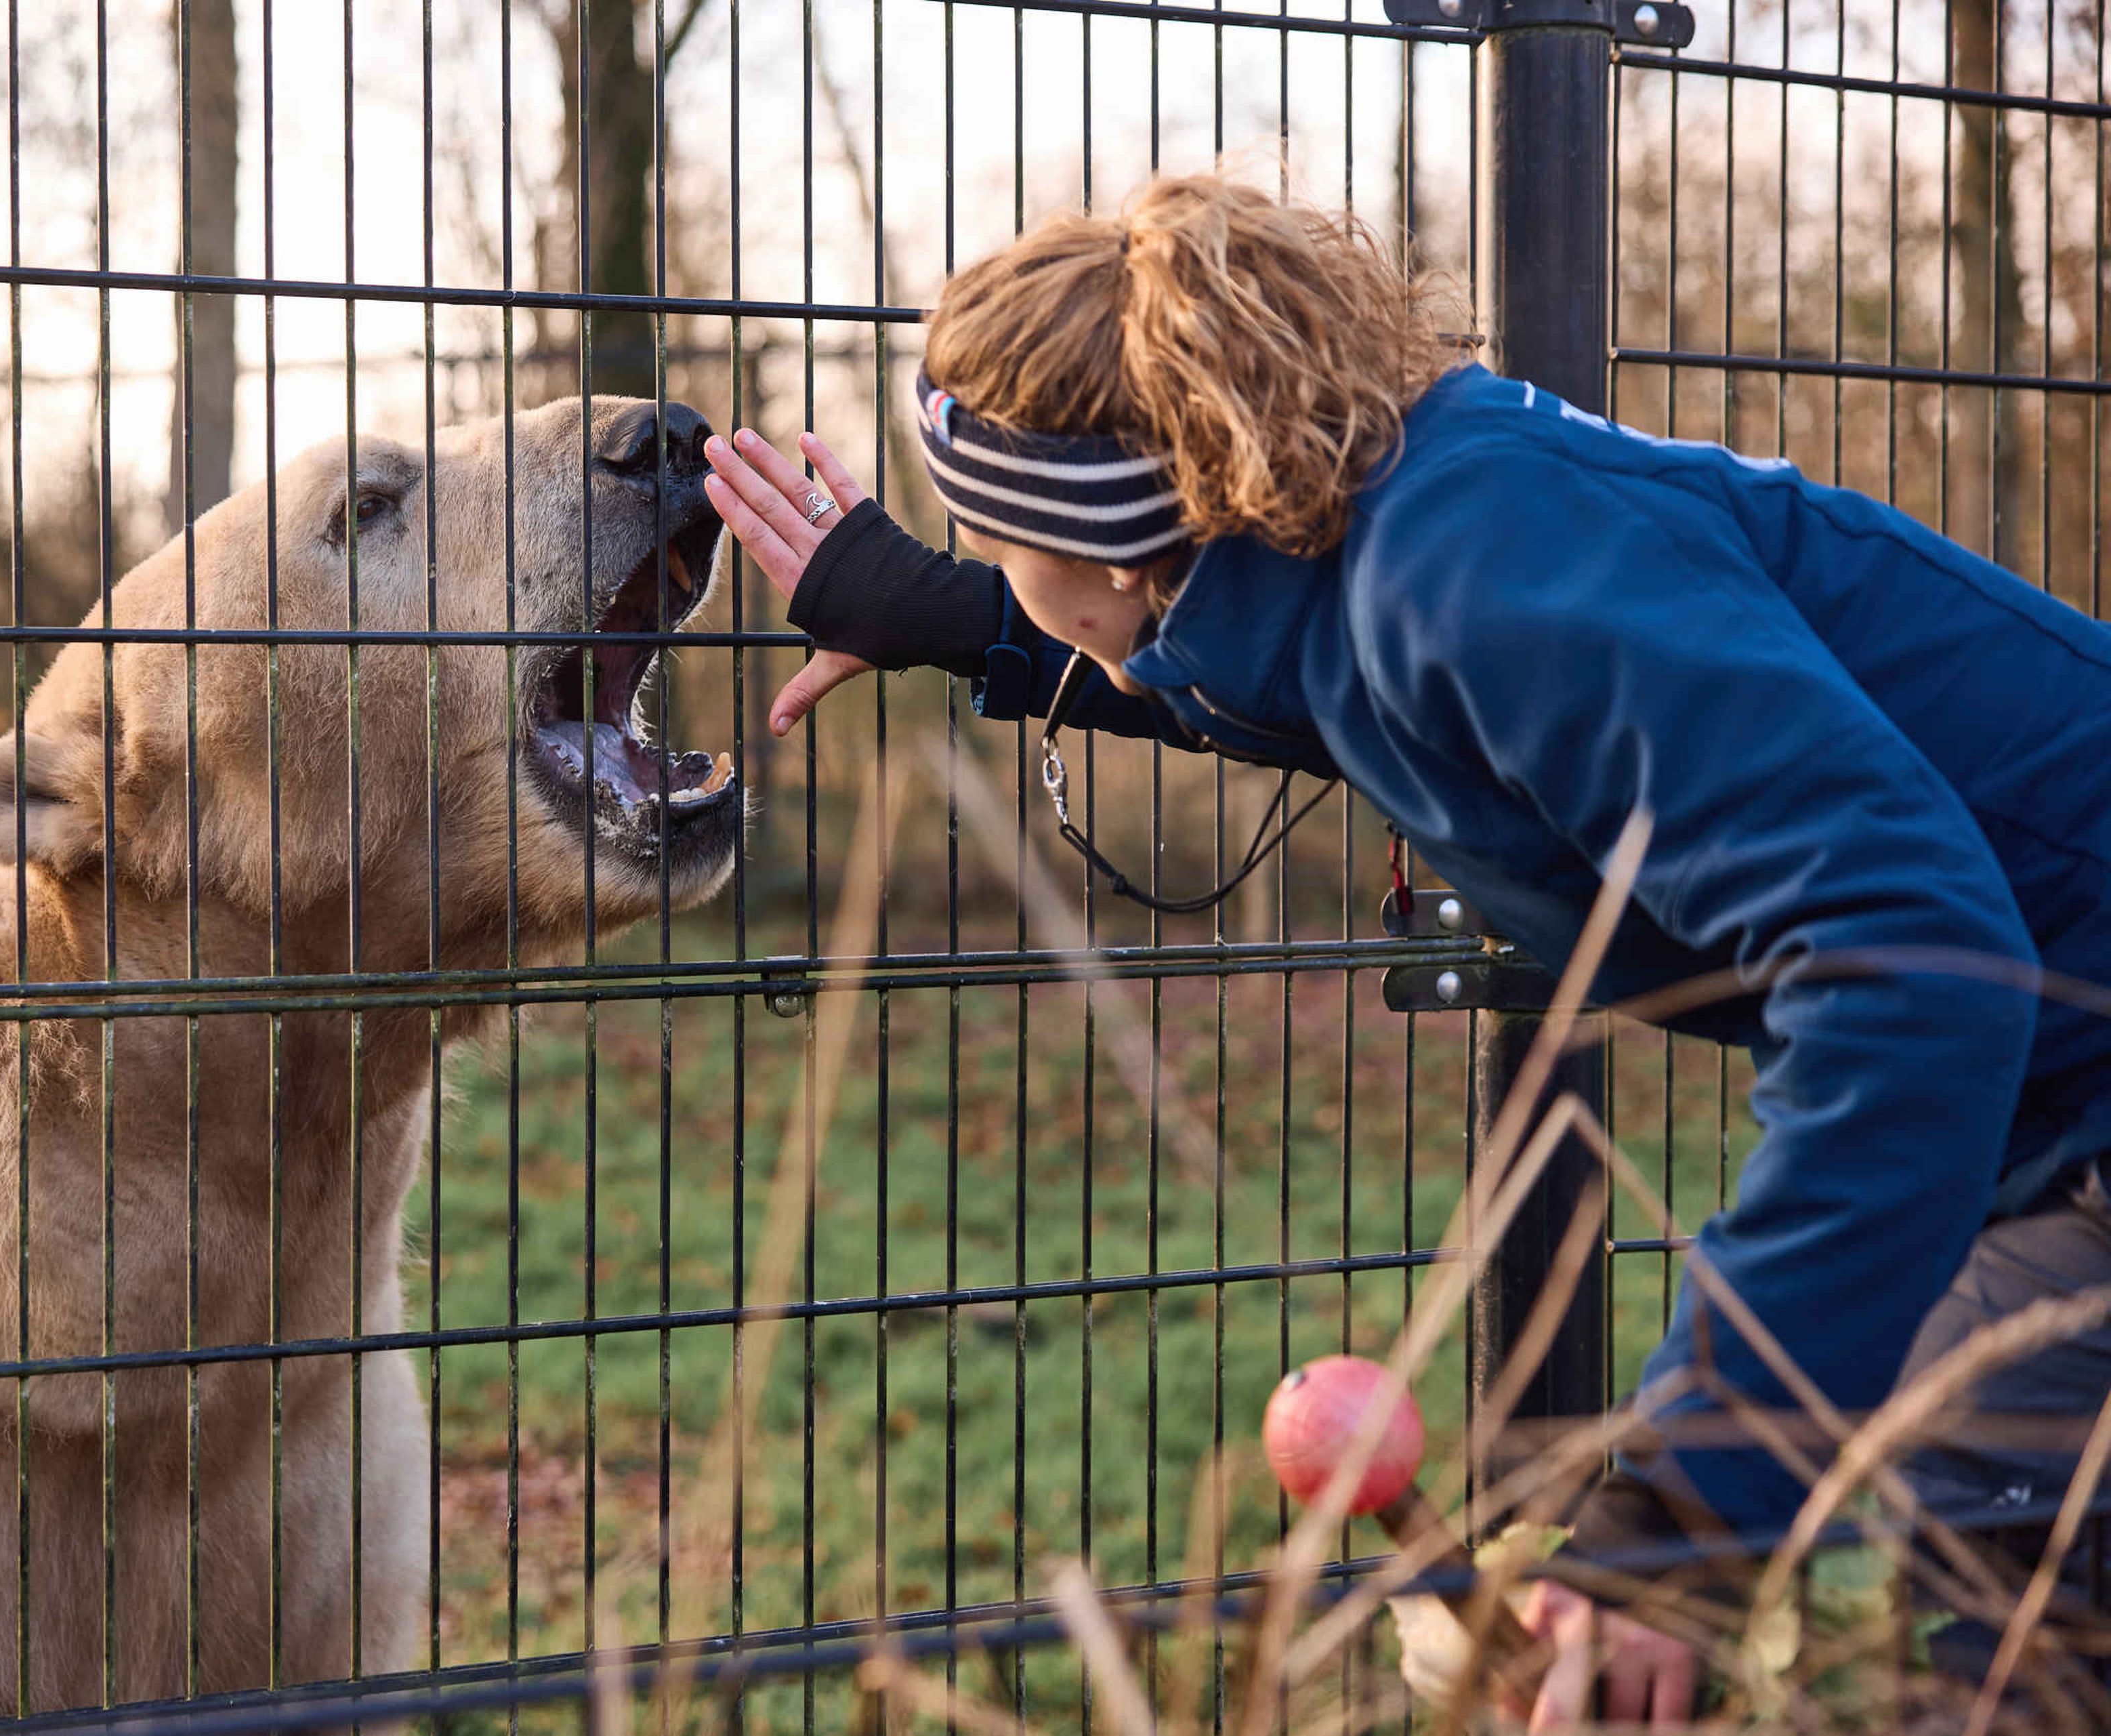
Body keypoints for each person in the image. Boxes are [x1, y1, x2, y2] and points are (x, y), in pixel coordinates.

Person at [700, 171, 2111, 1727]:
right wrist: (965, 616)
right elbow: (1276, 661)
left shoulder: (1480, 571)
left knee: (2013, 1595)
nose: (973, 538)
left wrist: (1678, 1523)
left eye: (985, 524)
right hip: (2063, 1094)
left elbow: (1908, 973)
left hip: (2071, 1098)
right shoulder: (1399, 529)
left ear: (1101, 542)